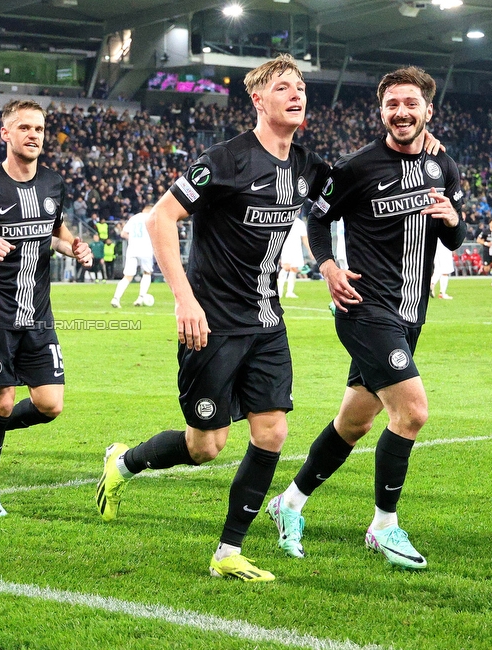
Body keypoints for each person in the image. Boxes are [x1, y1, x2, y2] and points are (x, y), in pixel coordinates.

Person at [95, 55, 329, 581]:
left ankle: (228, 551)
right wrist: (184, 299)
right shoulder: (226, 159)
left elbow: (353, 186)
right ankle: (124, 461)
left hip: (267, 321)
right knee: (206, 446)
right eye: (284, 87)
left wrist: (421, 143)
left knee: (272, 433)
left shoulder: (308, 167)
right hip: (213, 324)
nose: (297, 95)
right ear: (258, 100)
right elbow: (161, 217)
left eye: (301, 88)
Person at [267, 66, 465, 571]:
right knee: (413, 412)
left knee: (354, 422)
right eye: (392, 104)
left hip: (410, 313)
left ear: (428, 111)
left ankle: (288, 502)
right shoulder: (355, 168)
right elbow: (316, 218)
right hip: (364, 308)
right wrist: (329, 266)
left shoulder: (445, 168)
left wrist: (454, 221)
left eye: (410, 104)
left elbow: (454, 239)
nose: (401, 112)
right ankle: (383, 524)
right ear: (382, 111)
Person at [0, 99, 93, 517]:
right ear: (5, 133)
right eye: (24, 127)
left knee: (49, 405)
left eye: (39, 129)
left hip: (39, 316)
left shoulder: (53, 184)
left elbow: (54, 232)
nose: (33, 135)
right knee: (3, 401)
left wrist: (72, 247)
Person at [111, 204, 154, 308]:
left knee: (127, 276)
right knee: (147, 273)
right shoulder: (151, 218)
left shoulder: (134, 218)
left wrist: (133, 239)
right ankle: (141, 297)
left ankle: (116, 298)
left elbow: (123, 234)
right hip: (146, 249)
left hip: (132, 249)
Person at [279, 215, 311, 298]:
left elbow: (304, 238)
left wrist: (309, 249)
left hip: (296, 248)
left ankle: (289, 292)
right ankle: (279, 290)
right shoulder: (284, 221)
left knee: (294, 269)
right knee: (286, 267)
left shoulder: (300, 223)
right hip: (286, 247)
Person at [477, 219, 492, 286]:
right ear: (490, 224)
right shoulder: (485, 232)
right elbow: (478, 240)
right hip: (486, 252)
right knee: (486, 269)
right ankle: (485, 270)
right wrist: (486, 243)